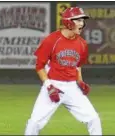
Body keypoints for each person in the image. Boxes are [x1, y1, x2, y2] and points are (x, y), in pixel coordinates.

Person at [24, 7, 102, 135]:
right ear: (68, 22)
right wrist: (49, 86)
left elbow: (77, 66)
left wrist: (80, 81)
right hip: (53, 85)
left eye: (82, 20)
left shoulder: (82, 44)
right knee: (35, 122)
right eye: (78, 20)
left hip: (72, 87)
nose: (82, 23)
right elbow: (39, 66)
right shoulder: (52, 40)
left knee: (93, 119)